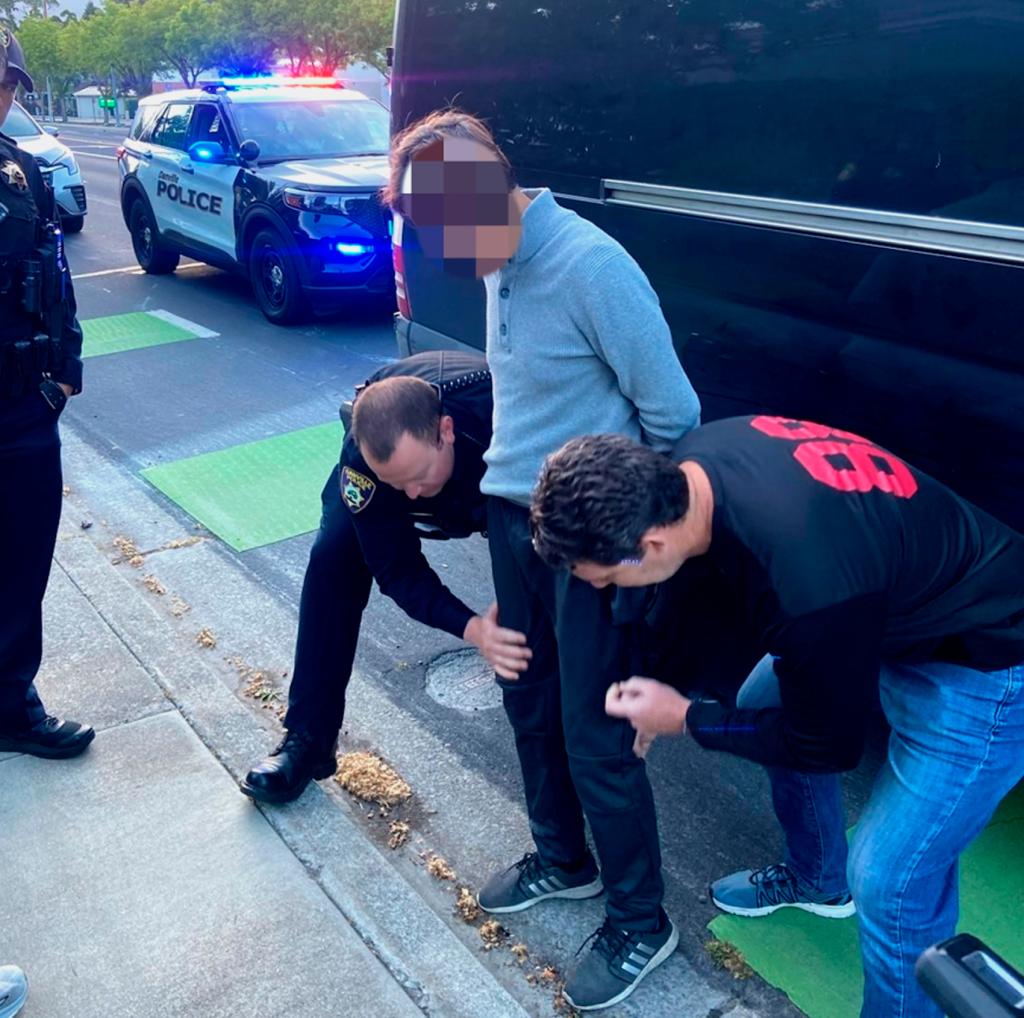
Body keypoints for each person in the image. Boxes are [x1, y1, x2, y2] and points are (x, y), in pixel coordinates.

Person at [529, 416, 1024, 1018]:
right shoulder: (695, 465)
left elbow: (826, 745)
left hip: (985, 662)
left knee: (890, 880)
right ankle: (818, 879)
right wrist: (666, 685)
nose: (607, 592)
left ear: (650, 546)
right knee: (764, 699)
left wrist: (686, 717)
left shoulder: (807, 582)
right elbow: (704, 592)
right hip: (890, 607)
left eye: (606, 580)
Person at [383, 110, 702, 1010]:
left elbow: (673, 416)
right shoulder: (497, 258)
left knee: (598, 733)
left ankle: (643, 920)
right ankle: (563, 859)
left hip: (585, 543)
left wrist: (644, 553)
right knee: (527, 703)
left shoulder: (592, 264)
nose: (446, 246)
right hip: (509, 519)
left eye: (451, 221)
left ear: (497, 183)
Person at [241, 351, 531, 802]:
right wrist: (473, 628)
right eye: (399, 484)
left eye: (417, 478)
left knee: (533, 565)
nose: (412, 495)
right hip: (399, 462)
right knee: (333, 558)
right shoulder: (366, 463)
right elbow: (397, 571)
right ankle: (309, 739)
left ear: (445, 432)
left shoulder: (503, 410)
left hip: (489, 472)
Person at [0, 28, 92, 758]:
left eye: (9, 84)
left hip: (23, 406)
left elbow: (55, 283)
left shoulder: (21, 171)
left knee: (25, 558)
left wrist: (65, 375)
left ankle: (11, 703)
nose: (2, 95)